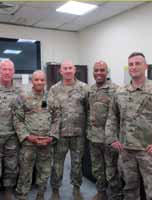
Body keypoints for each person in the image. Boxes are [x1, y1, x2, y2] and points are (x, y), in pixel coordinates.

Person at [105, 52, 152, 200]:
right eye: (131, 64)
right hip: (126, 151)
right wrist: (112, 138)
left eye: (138, 63)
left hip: (148, 151)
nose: (134, 67)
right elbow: (112, 117)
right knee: (130, 189)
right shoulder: (120, 92)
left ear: (145, 66)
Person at [14, 70, 59, 200]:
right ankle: (22, 196)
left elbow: (57, 118)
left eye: (42, 80)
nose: (39, 82)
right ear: (32, 81)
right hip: (29, 143)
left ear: (45, 81)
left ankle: (40, 195)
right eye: (36, 80)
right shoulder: (23, 97)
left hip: (46, 143)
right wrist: (28, 136)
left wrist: (51, 136)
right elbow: (17, 119)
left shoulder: (52, 98)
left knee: (44, 172)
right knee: (25, 173)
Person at [48, 60, 89, 200]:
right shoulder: (54, 89)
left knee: (77, 163)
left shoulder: (84, 88)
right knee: (57, 164)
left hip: (78, 134)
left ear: (75, 69)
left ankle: (76, 188)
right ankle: (55, 190)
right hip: (60, 134)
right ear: (61, 71)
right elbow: (50, 112)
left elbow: (89, 110)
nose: (67, 70)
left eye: (70, 68)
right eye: (65, 68)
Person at [88, 61, 123, 200]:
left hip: (109, 139)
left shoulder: (116, 90)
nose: (98, 73)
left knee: (112, 170)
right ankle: (101, 192)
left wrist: (117, 137)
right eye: (96, 70)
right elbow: (89, 111)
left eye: (102, 70)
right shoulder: (91, 90)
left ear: (107, 72)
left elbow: (120, 115)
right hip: (93, 137)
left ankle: (116, 196)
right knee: (97, 168)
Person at [0, 59, 21, 200]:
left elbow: (22, 113)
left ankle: (8, 190)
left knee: (11, 166)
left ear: (13, 72)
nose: (7, 72)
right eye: (4, 69)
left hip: (12, 135)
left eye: (10, 69)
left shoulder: (20, 90)